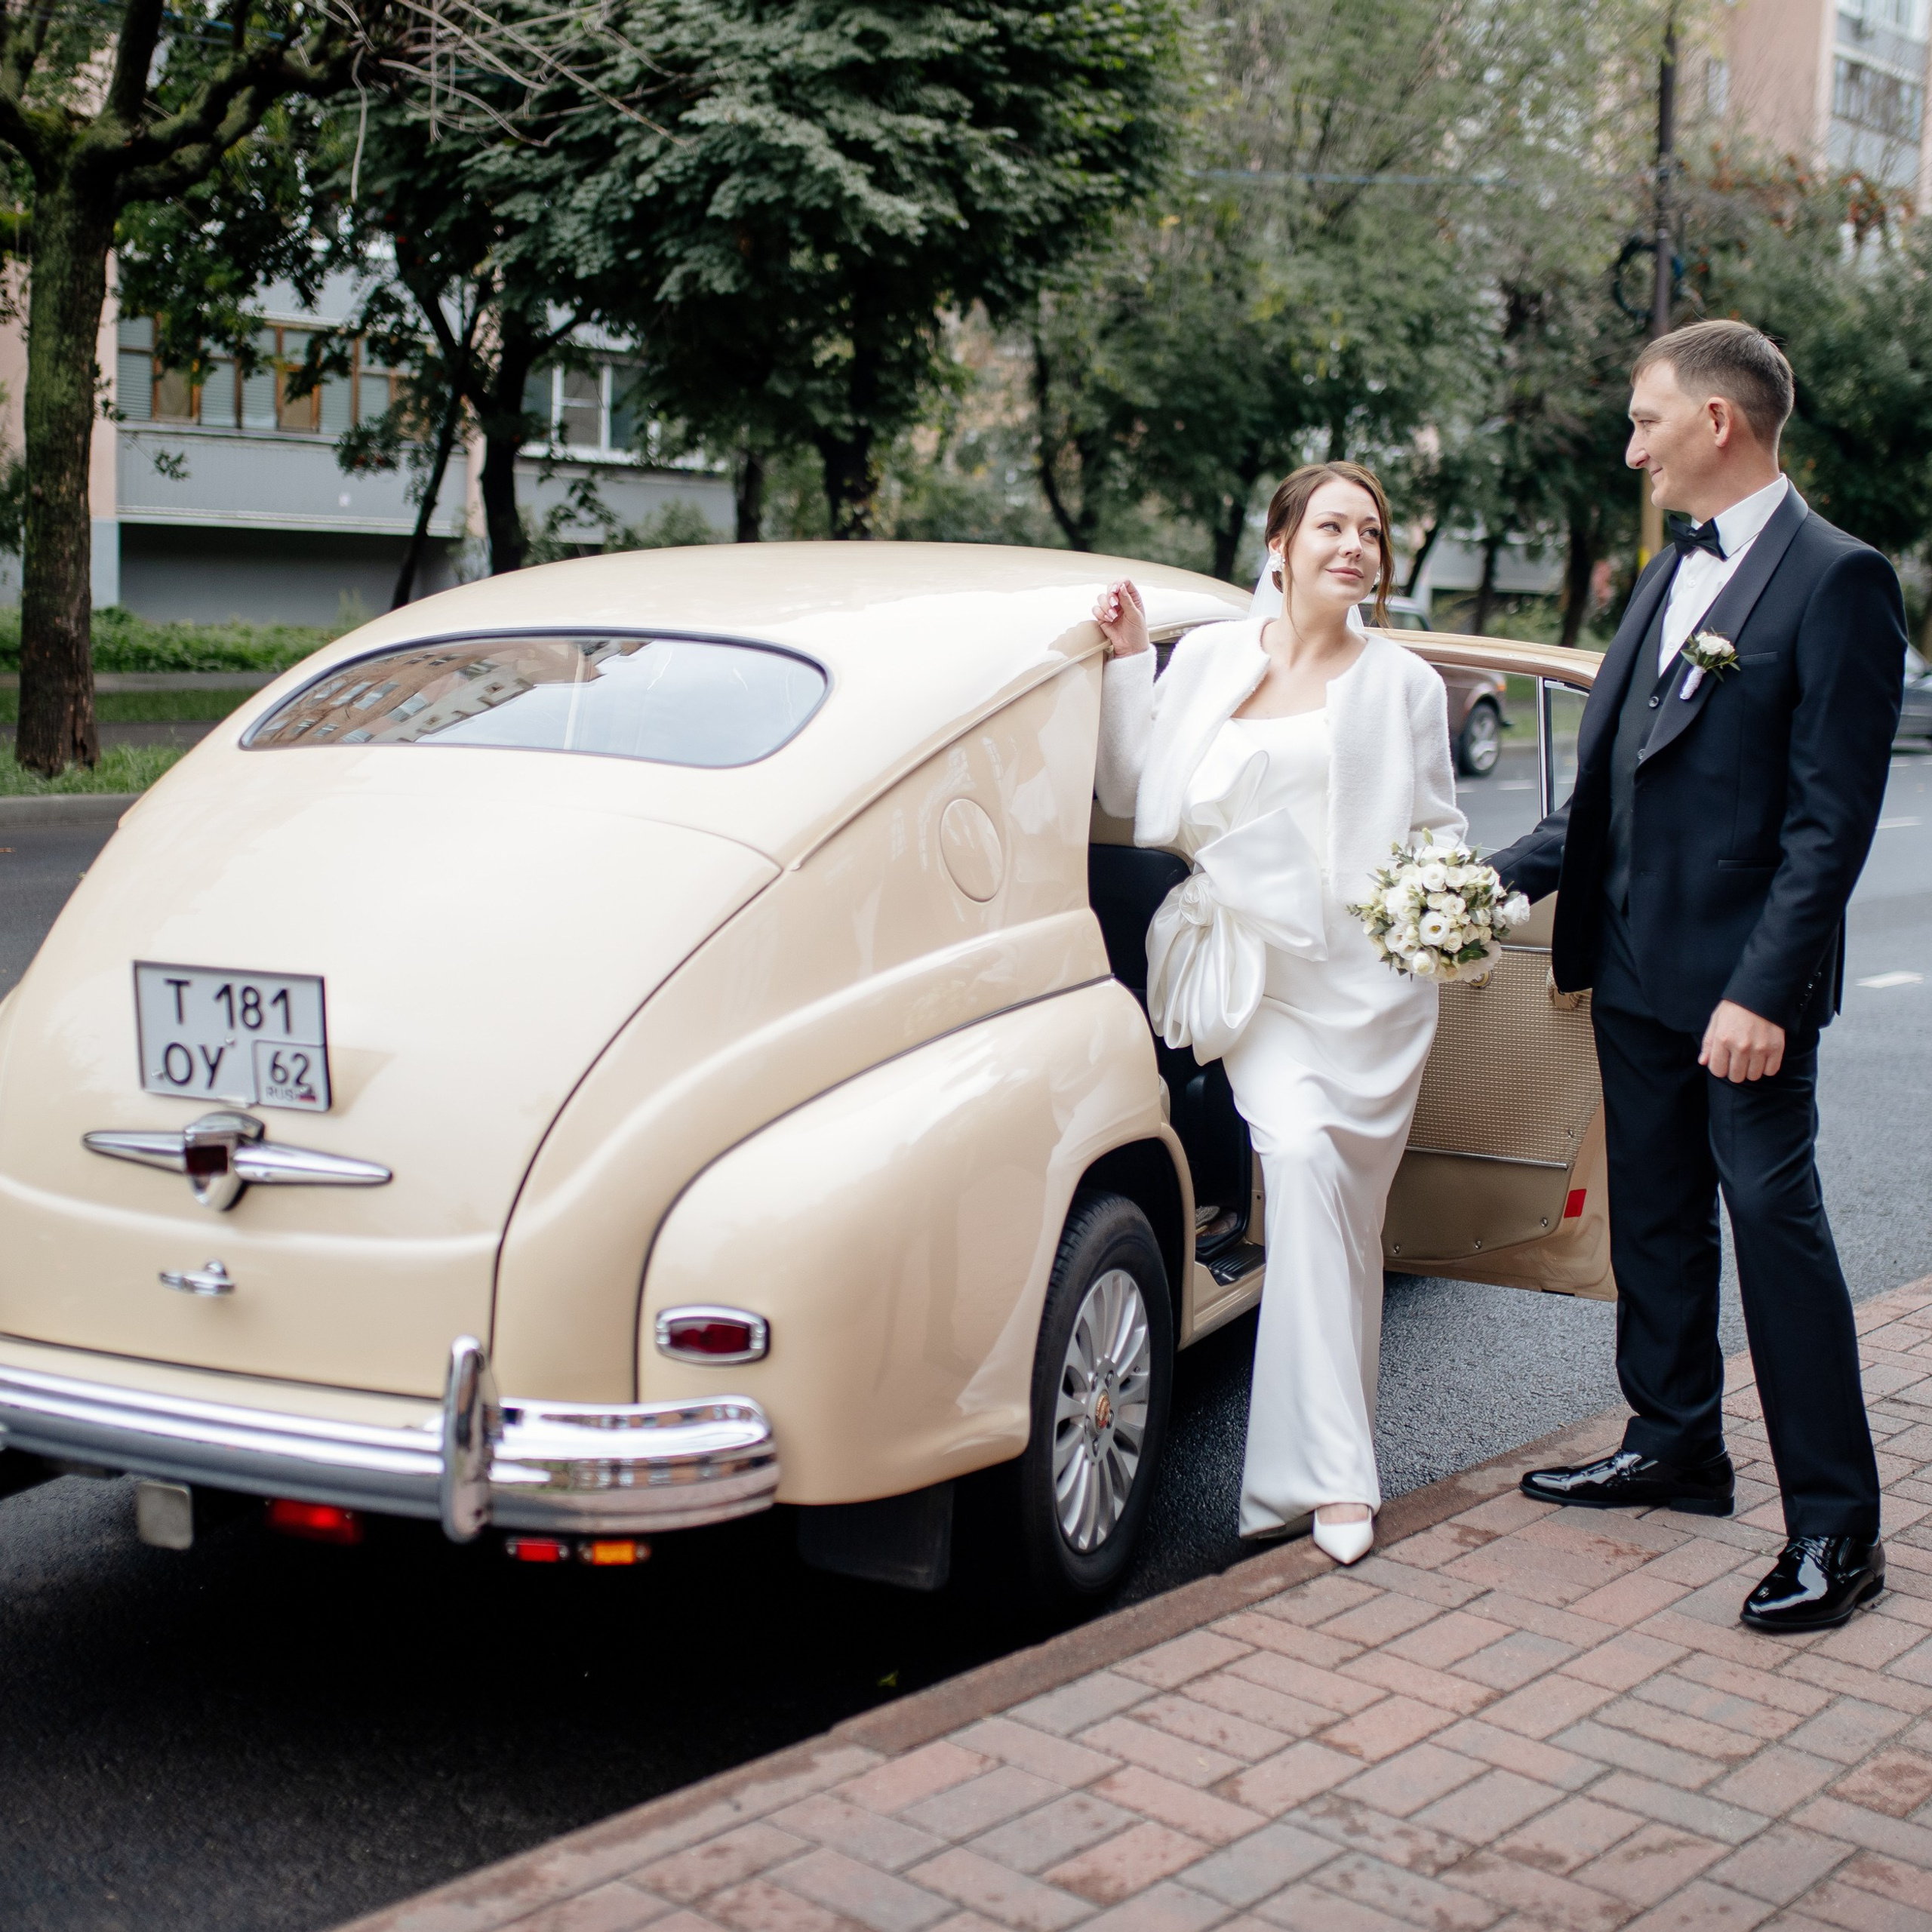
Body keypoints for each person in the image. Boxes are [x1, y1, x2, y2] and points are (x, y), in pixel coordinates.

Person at [1494, 320, 1906, 1632]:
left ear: (1718, 423)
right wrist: (1494, 877)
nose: (1634, 447)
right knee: (1656, 1223)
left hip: (1742, 999)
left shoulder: (1840, 579)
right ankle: (1675, 1445)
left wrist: (1763, 993)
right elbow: (1622, 774)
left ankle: (1837, 1532)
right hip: (1626, 971)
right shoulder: (1669, 570)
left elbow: (1827, 825)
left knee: (1778, 1239)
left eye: (1646, 421)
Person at [1093, 462, 1463, 1564]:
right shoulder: (1208, 658)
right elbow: (1130, 790)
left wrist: (1444, 912)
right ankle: (1335, 1478)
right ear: (1283, 543)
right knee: (1298, 1164)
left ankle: (1333, 1459)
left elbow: (1437, 828)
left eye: (1374, 532)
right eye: (1334, 527)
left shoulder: (1403, 684)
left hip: (1365, 988)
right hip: (1250, 969)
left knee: (1338, 1222)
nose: (1356, 546)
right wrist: (1124, 668)